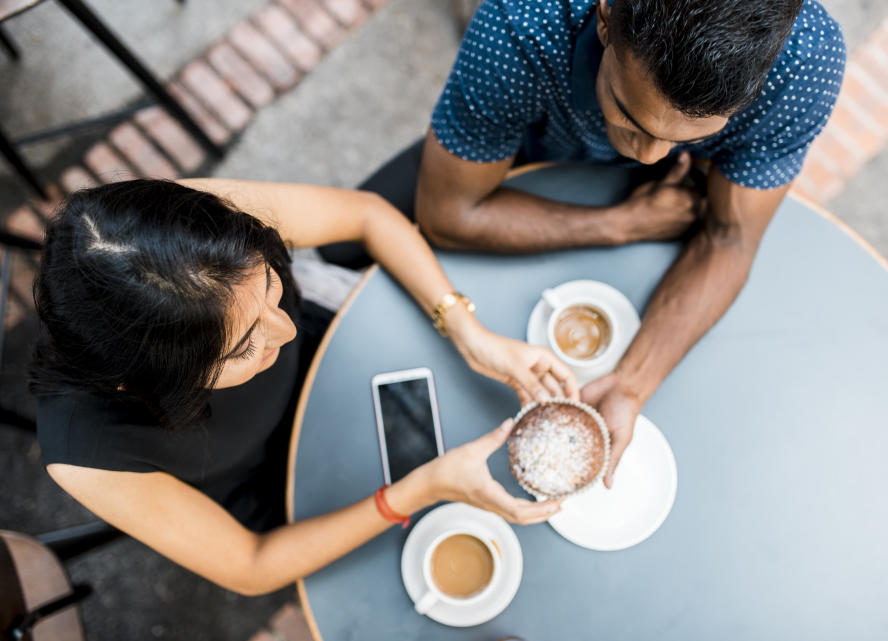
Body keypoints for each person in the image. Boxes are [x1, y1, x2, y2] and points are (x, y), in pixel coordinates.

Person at [31, 179, 578, 596]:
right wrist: (418, 491)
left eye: (269, 282)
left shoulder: (189, 231)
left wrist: (466, 329)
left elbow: (366, 216)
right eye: (244, 346)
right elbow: (252, 566)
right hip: (284, 492)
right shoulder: (87, 451)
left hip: (341, 347)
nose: (285, 329)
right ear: (152, 383)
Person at [409, 0, 845, 487]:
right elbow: (447, 215)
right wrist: (621, 224)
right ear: (606, 16)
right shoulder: (519, 23)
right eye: (629, 114)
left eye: (688, 137)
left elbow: (730, 238)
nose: (649, 155)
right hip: (516, 164)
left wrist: (632, 384)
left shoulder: (805, 64)